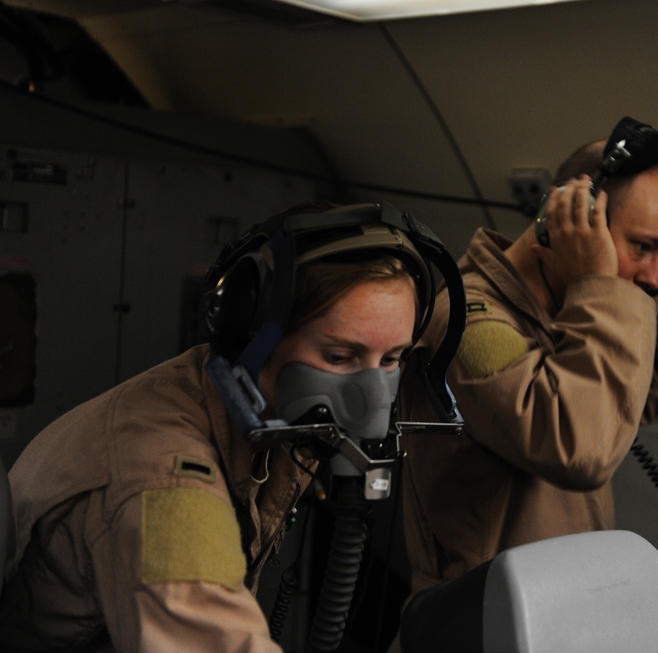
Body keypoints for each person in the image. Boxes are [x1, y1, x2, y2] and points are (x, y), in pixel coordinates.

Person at [0, 200, 462, 652]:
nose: (372, 398)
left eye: (392, 359)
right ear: (249, 336)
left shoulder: (257, 409)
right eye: (340, 357)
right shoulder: (165, 487)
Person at [396, 117, 658, 603]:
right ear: (569, 220)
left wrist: (630, 290)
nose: (656, 277)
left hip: (559, 606)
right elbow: (580, 444)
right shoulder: (467, 320)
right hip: (485, 620)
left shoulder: (568, 312)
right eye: (643, 246)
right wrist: (602, 285)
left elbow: (642, 397)